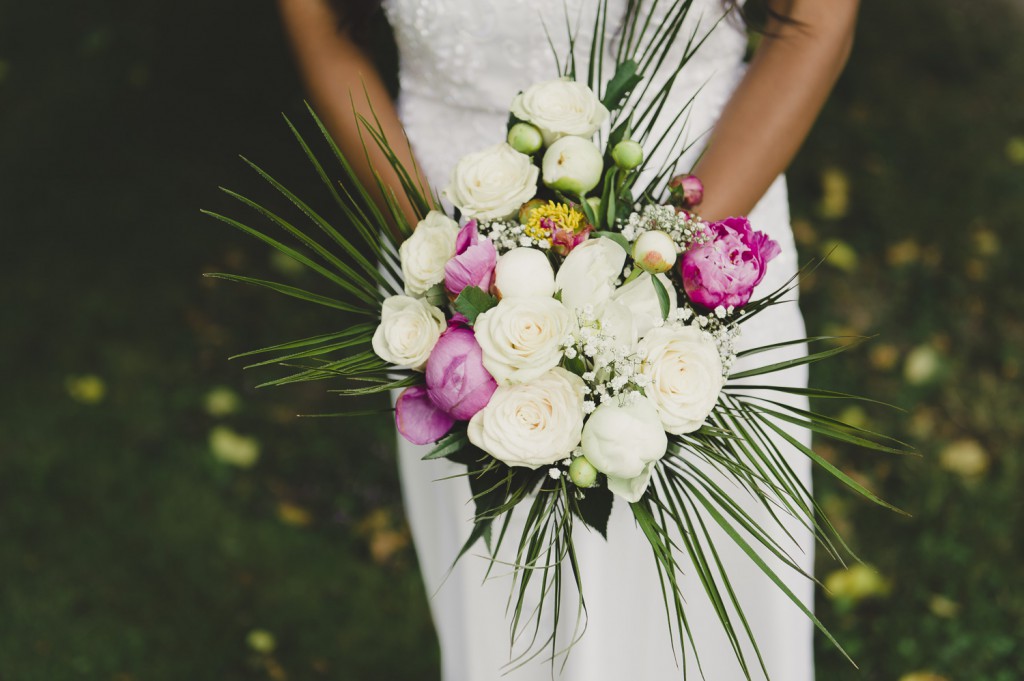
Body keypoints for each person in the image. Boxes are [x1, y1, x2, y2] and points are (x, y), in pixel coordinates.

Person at [278, 1, 859, 679]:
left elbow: (818, 21)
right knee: (510, 619)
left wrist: (660, 274)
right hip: (450, 271)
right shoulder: (446, 282)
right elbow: (321, 36)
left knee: (714, 623)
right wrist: (446, 269)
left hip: (712, 231)